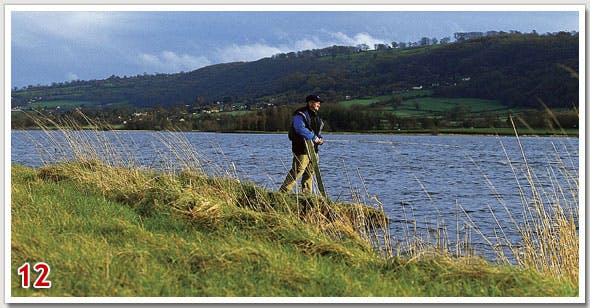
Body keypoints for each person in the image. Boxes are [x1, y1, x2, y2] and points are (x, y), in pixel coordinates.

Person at [279, 94, 324, 194]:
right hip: (301, 148)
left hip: (314, 149)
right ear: (310, 103)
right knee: (298, 171)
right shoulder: (300, 114)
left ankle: (307, 195)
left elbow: (318, 131)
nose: (319, 105)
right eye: (317, 103)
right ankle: (282, 193)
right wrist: (314, 137)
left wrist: (320, 138)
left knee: (310, 173)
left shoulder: (317, 117)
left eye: (319, 103)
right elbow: (299, 128)